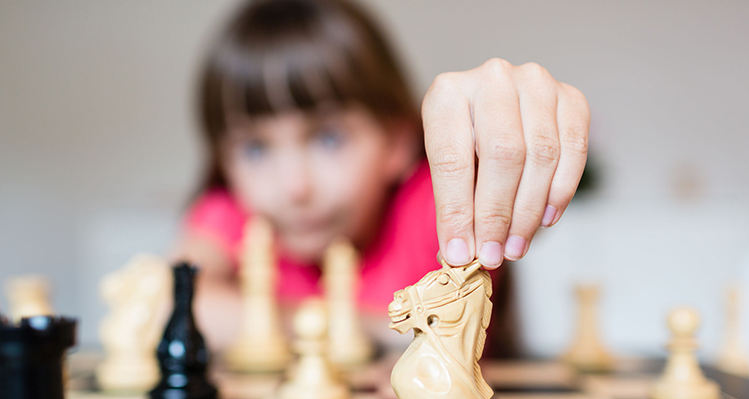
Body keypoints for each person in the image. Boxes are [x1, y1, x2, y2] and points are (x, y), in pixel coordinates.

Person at [173, 0, 590, 350]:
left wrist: (511, 122)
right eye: (255, 147)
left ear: (397, 141)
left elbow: (509, 194)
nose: (294, 187)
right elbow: (169, 308)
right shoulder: (234, 215)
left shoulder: (438, 203)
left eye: (329, 138)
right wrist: (356, 329)